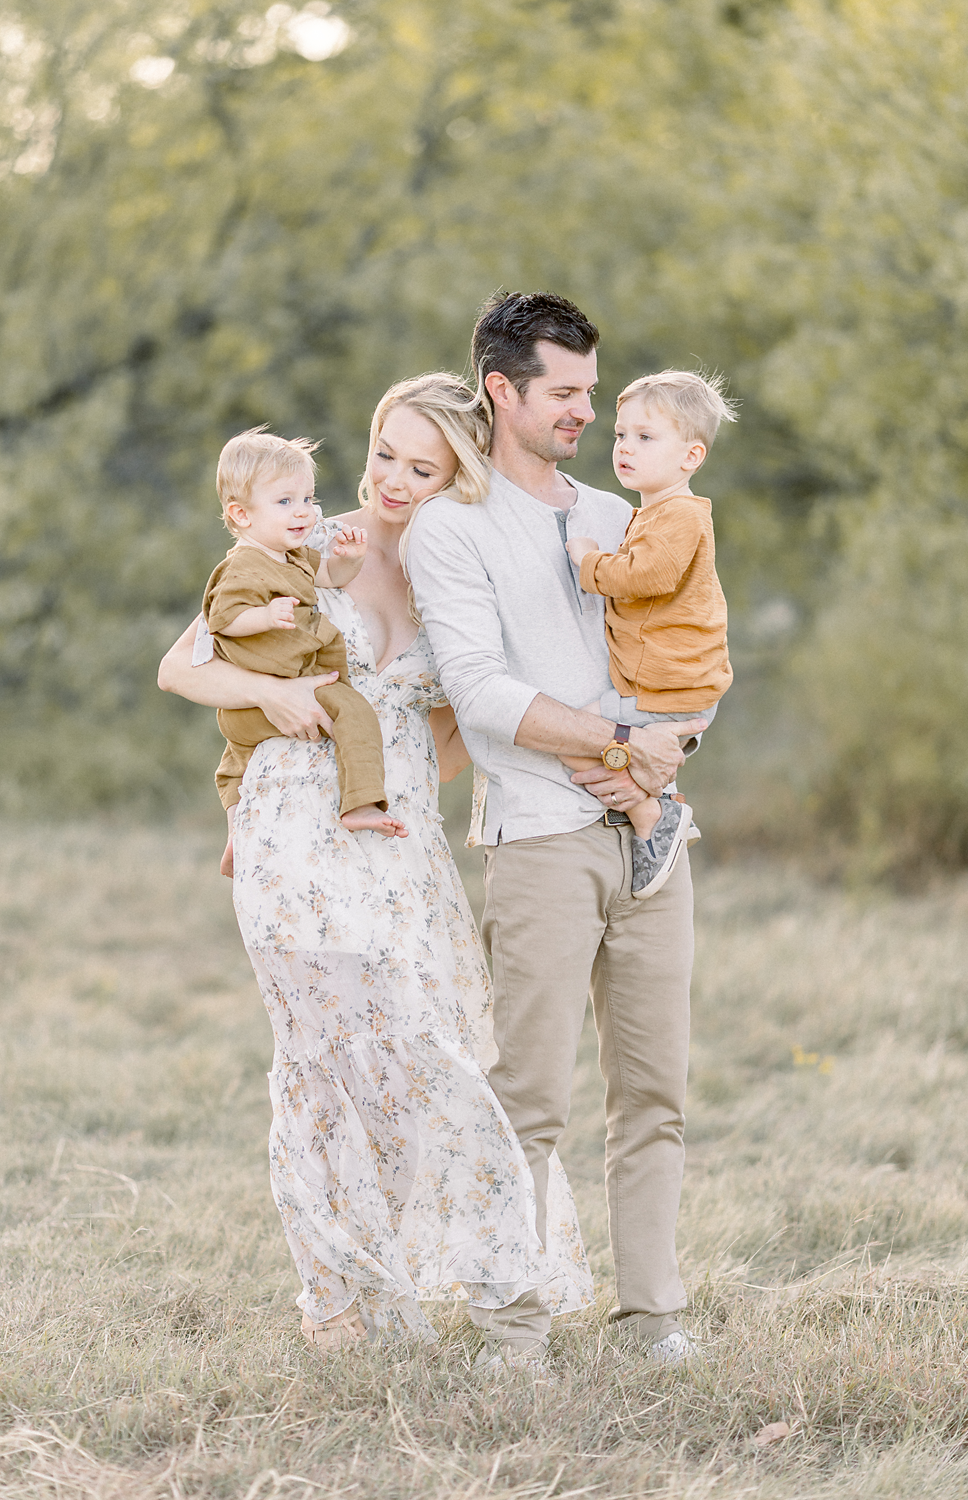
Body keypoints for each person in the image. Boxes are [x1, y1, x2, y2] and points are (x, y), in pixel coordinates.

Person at [158, 373, 592, 1354]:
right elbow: (184, 664)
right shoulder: (307, 541)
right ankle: (336, 1305)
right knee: (315, 1064)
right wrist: (270, 716)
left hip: (396, 846)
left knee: (418, 1058)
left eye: (420, 466)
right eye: (384, 452)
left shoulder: (460, 577)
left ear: (458, 476)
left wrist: (404, 792)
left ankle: (470, 1282)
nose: (391, 479)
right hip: (291, 834)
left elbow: (454, 730)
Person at [405, 293, 708, 1366]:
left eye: (594, 392)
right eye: (567, 393)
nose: (590, 412)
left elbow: (687, 651)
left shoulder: (621, 514)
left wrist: (662, 749)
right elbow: (480, 690)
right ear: (503, 390)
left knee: (655, 1095)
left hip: (650, 839)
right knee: (526, 1099)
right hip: (537, 835)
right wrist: (615, 743)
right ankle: (511, 1328)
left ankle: (652, 1322)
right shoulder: (449, 527)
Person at [202, 426, 406, 878]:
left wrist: (350, 558)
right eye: (285, 502)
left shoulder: (291, 557)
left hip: (256, 705)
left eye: (308, 499)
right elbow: (222, 618)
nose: (303, 512)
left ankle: (237, 834)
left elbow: (330, 577)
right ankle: (361, 802)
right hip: (281, 691)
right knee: (355, 713)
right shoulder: (242, 566)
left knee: (235, 765)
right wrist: (265, 616)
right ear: (241, 514)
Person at [563, 369, 736, 899]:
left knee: (569, 729)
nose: (625, 448)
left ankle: (651, 812)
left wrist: (588, 561)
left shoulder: (682, 516)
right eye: (620, 435)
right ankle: (652, 800)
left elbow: (645, 577)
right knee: (582, 732)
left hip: (671, 689)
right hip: (667, 686)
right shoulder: (653, 513)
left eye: (645, 437)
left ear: (691, 457)